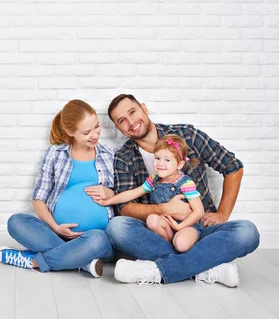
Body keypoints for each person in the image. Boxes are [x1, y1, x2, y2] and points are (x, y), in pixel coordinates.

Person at [105, 94, 259, 286]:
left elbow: (233, 166)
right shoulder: (124, 157)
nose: (131, 122)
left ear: (144, 108)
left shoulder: (187, 135)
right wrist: (165, 209)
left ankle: (157, 271)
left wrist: (222, 213)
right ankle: (207, 267)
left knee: (247, 232)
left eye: (132, 112)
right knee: (117, 227)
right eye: (122, 121)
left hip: (199, 229)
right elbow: (126, 207)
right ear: (119, 128)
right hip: (159, 234)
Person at [0, 99, 116, 277]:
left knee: (98, 239)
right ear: (69, 132)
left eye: (97, 127)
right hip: (56, 235)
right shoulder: (55, 154)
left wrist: (110, 193)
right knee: (16, 221)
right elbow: (39, 200)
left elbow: (123, 196)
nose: (95, 134)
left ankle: (35, 262)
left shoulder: (109, 154)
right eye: (87, 132)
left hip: (97, 240)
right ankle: (83, 261)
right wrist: (56, 228)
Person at [98, 134, 204, 253]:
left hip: (187, 226)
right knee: (152, 219)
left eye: (167, 160)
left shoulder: (185, 183)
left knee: (181, 244)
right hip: (166, 226)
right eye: (157, 158)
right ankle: (168, 252)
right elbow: (132, 193)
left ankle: (176, 251)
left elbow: (199, 211)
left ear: (180, 164)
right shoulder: (153, 179)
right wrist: (108, 201)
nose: (160, 164)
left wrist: (179, 227)